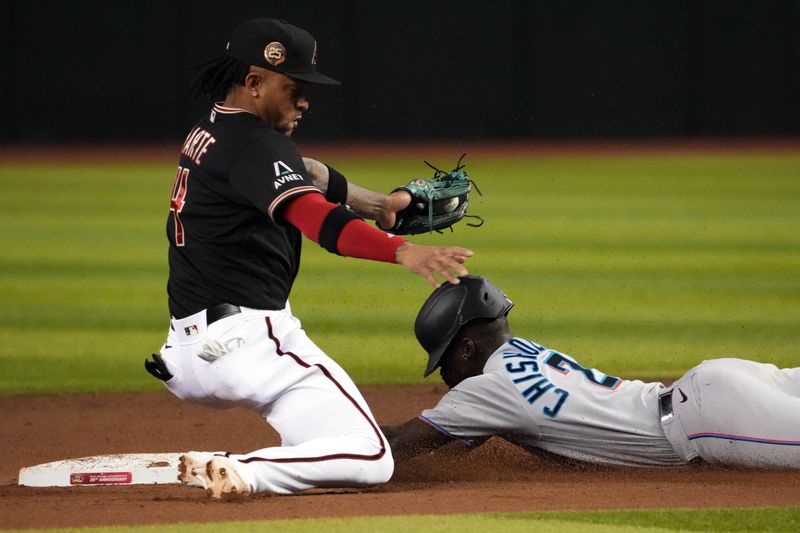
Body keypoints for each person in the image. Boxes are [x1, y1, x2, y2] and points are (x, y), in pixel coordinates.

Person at [144, 18, 474, 498]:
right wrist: (401, 249)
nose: (304, 101)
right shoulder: (256, 145)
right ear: (255, 83)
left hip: (188, 353)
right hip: (249, 345)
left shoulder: (214, 128)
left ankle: (247, 465)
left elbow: (306, 173)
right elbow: (315, 217)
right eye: (293, 88)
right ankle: (241, 470)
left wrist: (381, 206)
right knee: (370, 455)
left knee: (321, 445)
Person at [384, 275, 800, 469]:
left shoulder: (488, 390)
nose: (446, 377)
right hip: (719, 385)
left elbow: (401, 442)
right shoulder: (524, 354)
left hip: (710, 420)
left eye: (445, 361)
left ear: (468, 347)